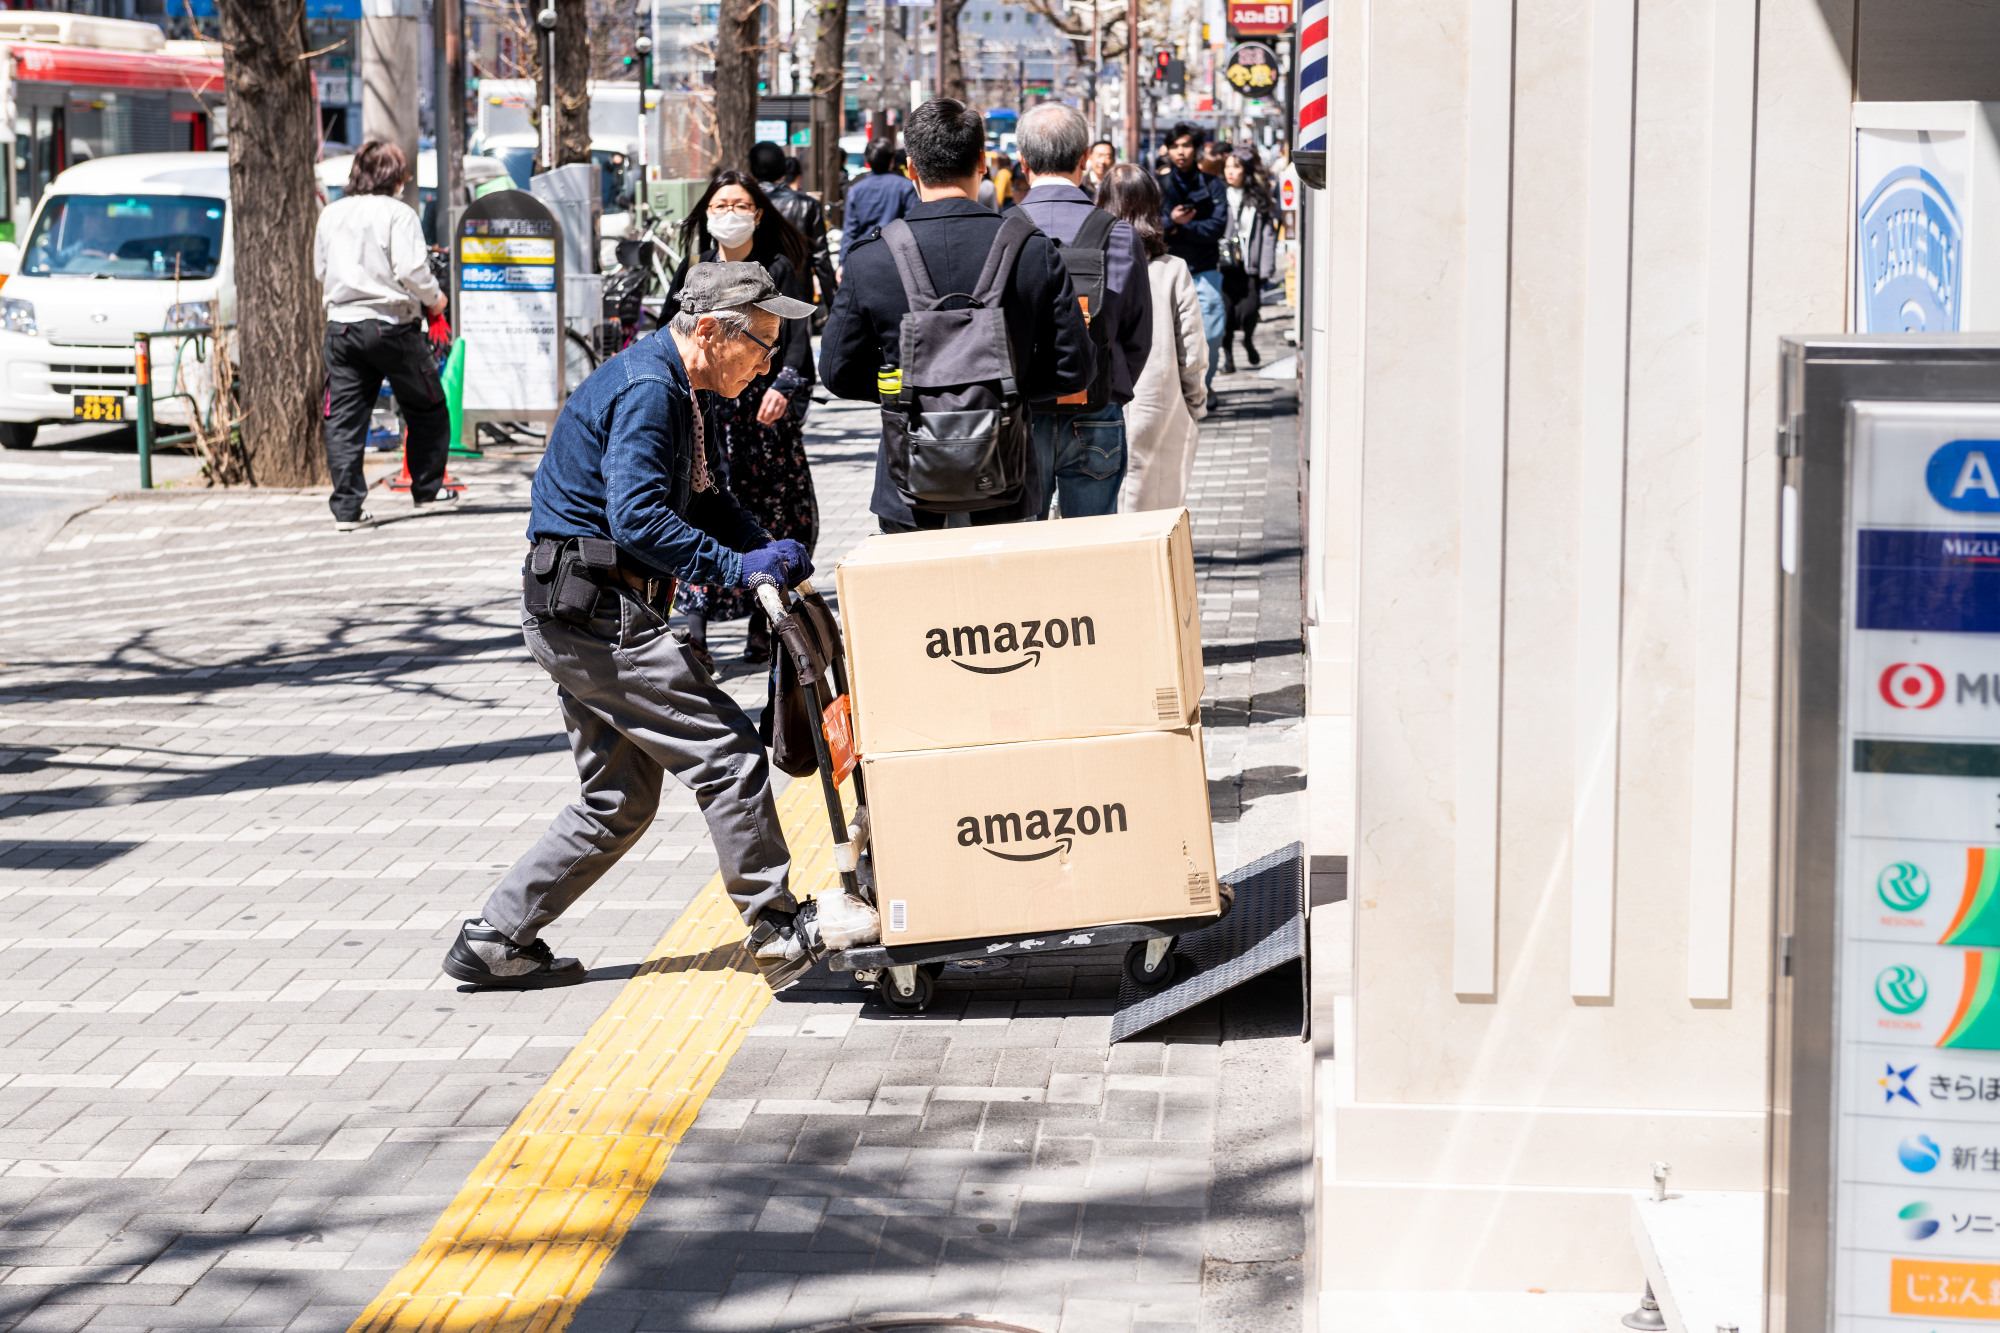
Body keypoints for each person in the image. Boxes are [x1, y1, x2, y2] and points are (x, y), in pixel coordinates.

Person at [441, 263, 827, 992]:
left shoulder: (680, 386)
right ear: (711, 331)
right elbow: (640, 518)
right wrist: (740, 570)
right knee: (728, 755)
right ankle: (776, 929)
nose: (768, 363)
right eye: (762, 345)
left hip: (577, 609)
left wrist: (760, 548)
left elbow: (703, 502)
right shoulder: (652, 389)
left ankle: (497, 935)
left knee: (617, 800)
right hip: (596, 614)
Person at [819, 96, 1095, 531]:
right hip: (1005, 479)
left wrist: (908, 390)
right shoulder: (1031, 250)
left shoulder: (871, 259)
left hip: (907, 483)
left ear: (910, 168)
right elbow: (1075, 368)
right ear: (982, 162)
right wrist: (1006, 388)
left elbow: (838, 372)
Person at [664, 171, 820, 669]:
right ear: (707, 213)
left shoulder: (779, 270)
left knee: (769, 517)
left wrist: (783, 388)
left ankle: (764, 626)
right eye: (720, 204)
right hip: (710, 416)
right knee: (700, 506)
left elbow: (796, 344)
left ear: (758, 212)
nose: (730, 214)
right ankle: (696, 634)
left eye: (740, 204)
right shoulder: (693, 272)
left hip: (764, 424)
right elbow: (673, 336)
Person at [1016, 102, 1153, 519]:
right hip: (1096, 409)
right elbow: (1137, 334)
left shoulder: (1002, 231)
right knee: (1092, 549)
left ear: (1023, 163)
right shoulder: (1119, 234)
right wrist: (1112, 389)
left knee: (1022, 544)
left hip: (1022, 413)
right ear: (1083, 160)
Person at [313, 139, 455, 533]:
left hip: (341, 326)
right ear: (394, 178)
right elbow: (411, 270)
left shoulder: (332, 214)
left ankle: (347, 509)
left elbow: (319, 271)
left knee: (342, 418)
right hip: (392, 325)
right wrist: (436, 299)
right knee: (427, 407)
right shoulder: (399, 214)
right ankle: (427, 488)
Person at [1099, 164, 1207, 512]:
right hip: (1163, 408)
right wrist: (1194, 407)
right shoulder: (1172, 269)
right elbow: (1192, 351)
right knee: (1156, 524)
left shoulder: (1089, 265)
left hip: (1101, 408)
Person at [1158, 121, 1227, 411]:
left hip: (1205, 269)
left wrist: (1181, 227)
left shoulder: (1214, 185)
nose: (1181, 152)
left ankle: (1203, 385)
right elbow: (1152, 226)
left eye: (1186, 145)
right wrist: (1172, 222)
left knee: (1212, 332)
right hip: (1167, 270)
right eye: (1175, 146)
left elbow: (1217, 227)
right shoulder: (1159, 185)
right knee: (1169, 335)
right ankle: (1181, 393)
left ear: (1197, 149)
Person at [749, 141, 838, 327]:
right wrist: (833, 306)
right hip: (796, 298)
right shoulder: (806, 205)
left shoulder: (744, 203)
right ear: (783, 170)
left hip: (751, 295)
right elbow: (821, 259)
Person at [1219, 150, 1278, 373]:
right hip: (1223, 266)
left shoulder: (1258, 197)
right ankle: (1228, 359)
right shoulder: (1220, 196)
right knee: (1225, 314)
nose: (1230, 172)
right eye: (1227, 167)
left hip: (1249, 265)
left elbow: (1268, 235)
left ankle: (1249, 339)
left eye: (1236, 167)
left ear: (1246, 171)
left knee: (1250, 311)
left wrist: (1266, 267)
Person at [839, 137, 918, 267]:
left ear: (867, 160)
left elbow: (849, 231)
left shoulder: (856, 190)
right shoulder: (904, 186)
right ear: (892, 159)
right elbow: (912, 223)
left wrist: (843, 263)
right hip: (897, 256)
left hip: (863, 255)